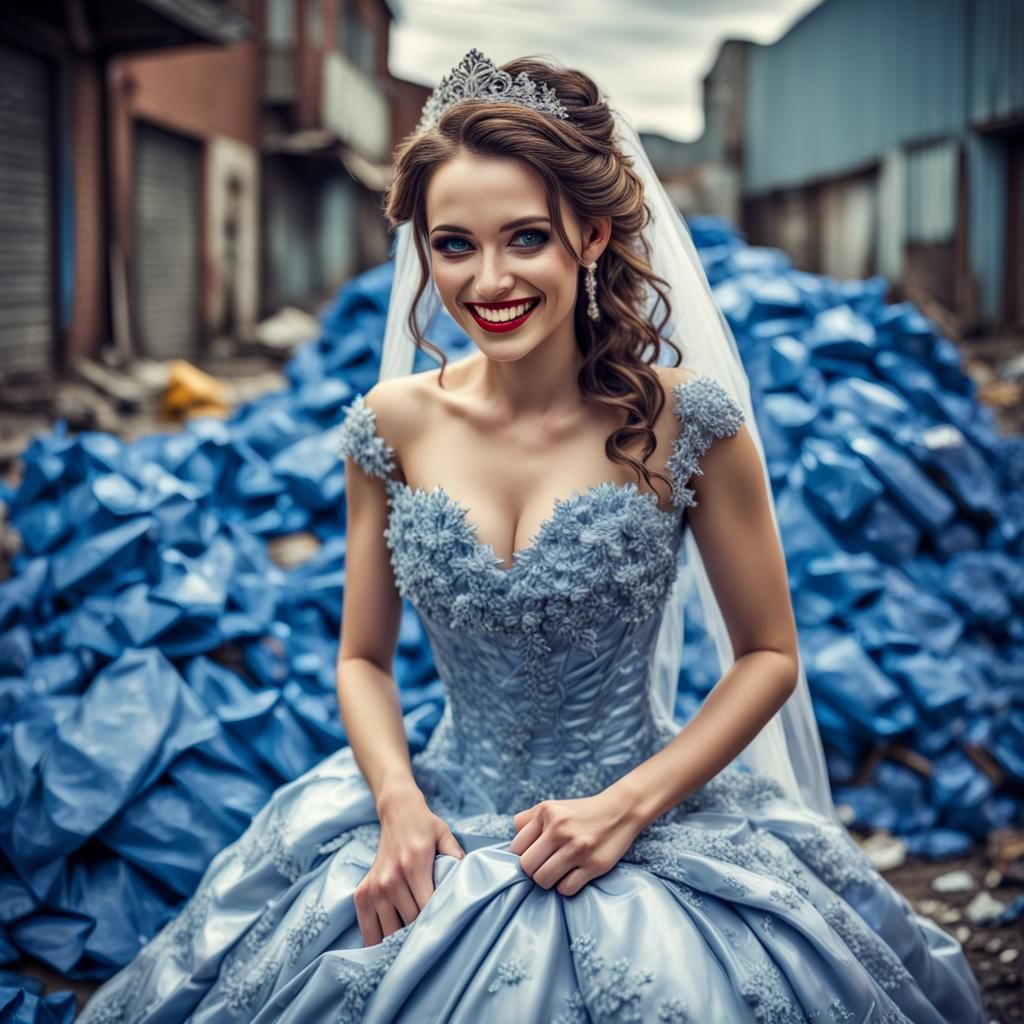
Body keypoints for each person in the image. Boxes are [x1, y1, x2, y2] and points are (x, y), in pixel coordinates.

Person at [78, 51, 986, 1024]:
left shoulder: (690, 422)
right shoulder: (390, 424)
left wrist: (628, 805)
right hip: (438, 811)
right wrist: (397, 801)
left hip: (636, 817)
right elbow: (361, 659)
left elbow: (768, 654)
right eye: (454, 245)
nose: (489, 279)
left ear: (590, 234)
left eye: (525, 238)